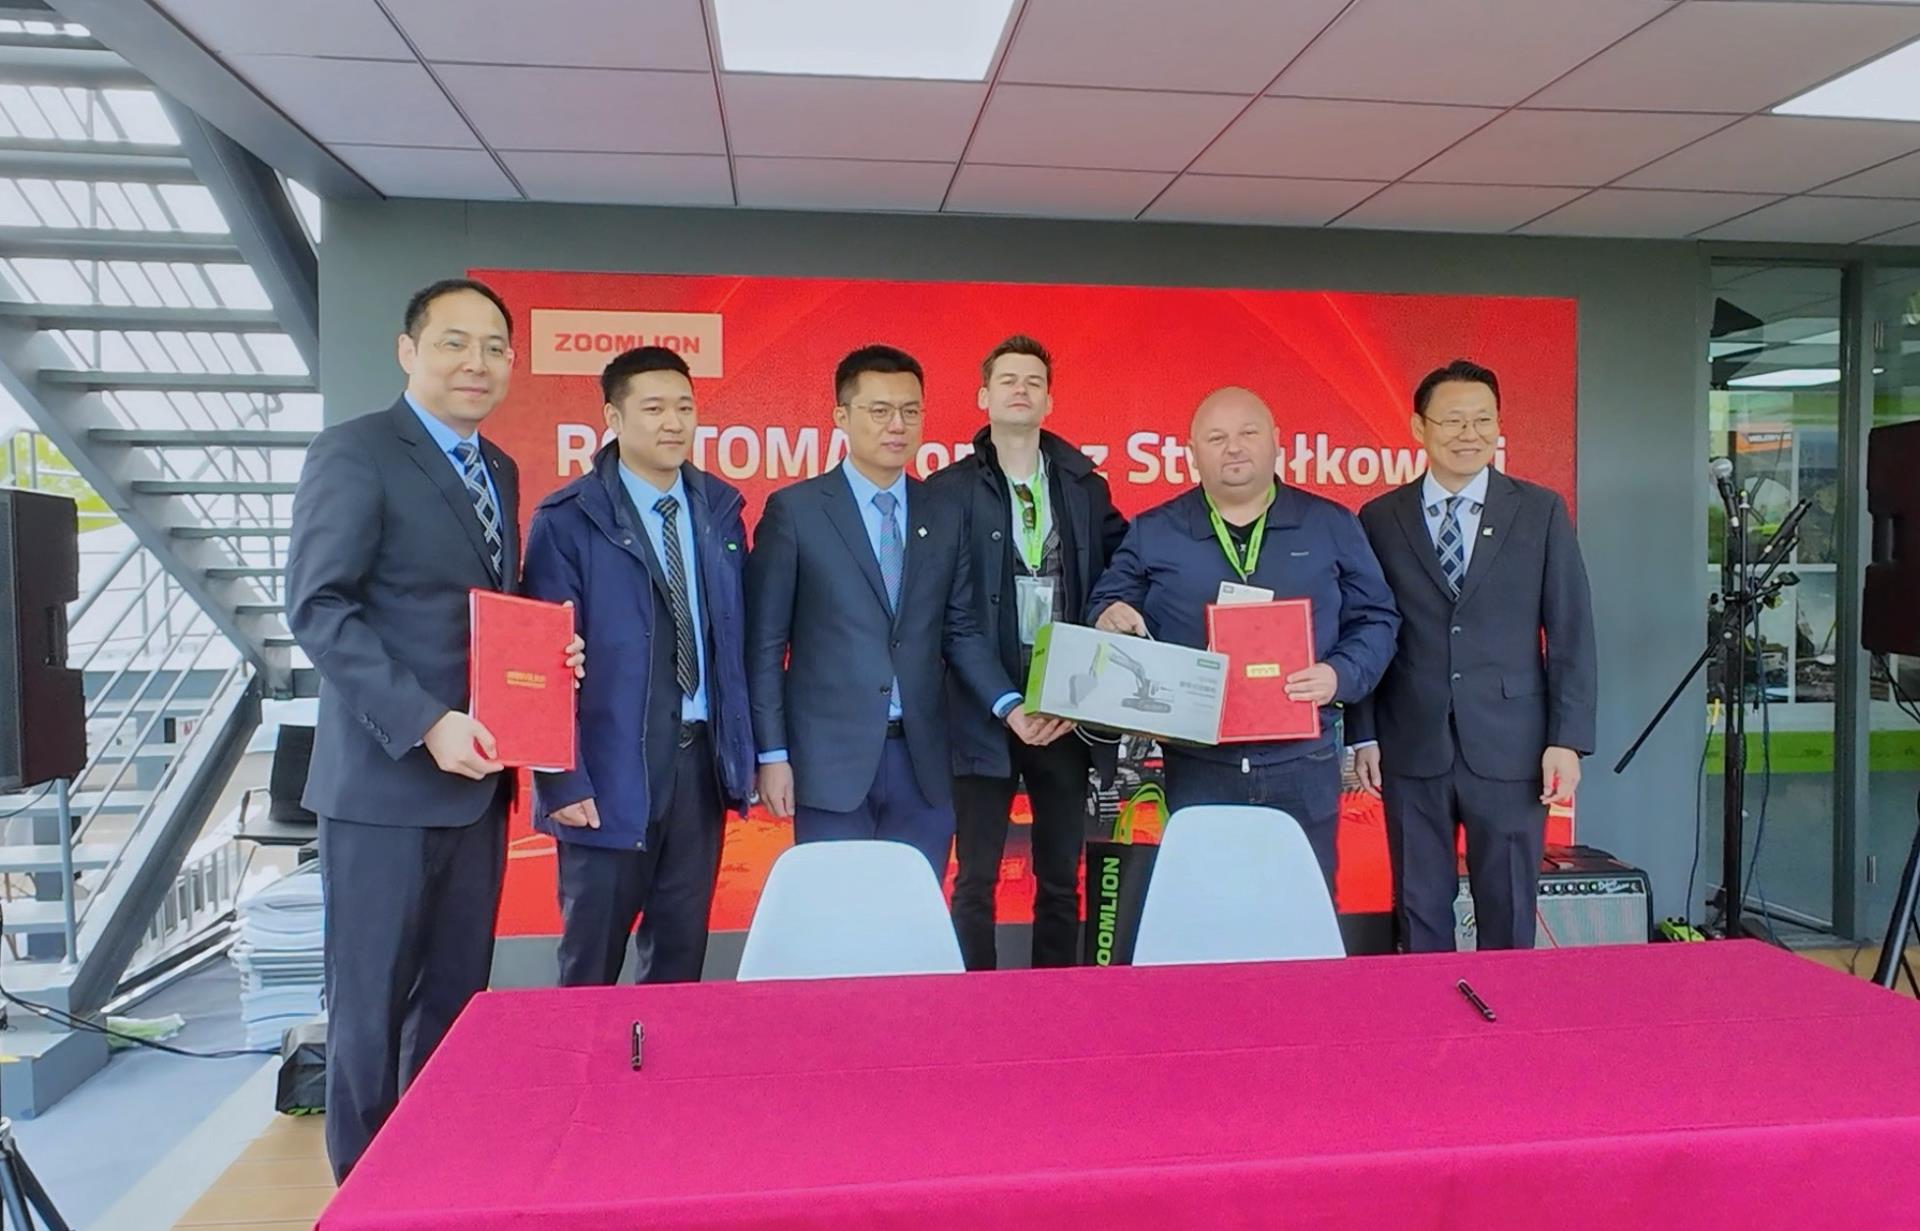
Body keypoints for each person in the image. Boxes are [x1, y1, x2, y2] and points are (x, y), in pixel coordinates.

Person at [286, 278, 583, 1180]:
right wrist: (426, 723)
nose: (476, 363)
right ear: (408, 351)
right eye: (455, 342)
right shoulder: (356, 451)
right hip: (384, 786)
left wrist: (550, 654)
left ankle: (434, 1173)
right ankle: (363, 1189)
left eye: (495, 347)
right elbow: (319, 607)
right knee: (369, 1009)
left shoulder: (499, 468)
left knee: (456, 1000)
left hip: (477, 785)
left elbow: (481, 616)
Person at [745, 344, 1070, 875]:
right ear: (841, 416)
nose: (897, 425)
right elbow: (764, 647)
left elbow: (960, 629)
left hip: (922, 765)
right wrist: (772, 756)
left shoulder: (941, 510)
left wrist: (1011, 705)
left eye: (910, 411)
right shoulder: (796, 512)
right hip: (830, 765)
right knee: (838, 914)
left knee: (914, 914)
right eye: (880, 411)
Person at [1086, 386, 1398, 889]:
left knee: (1302, 910)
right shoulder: (1154, 531)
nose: (1233, 447)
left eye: (1248, 433)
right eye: (1216, 438)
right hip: (1198, 765)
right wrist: (1108, 615)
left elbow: (1377, 618)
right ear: (1192, 452)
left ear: (1276, 440)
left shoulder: (1330, 524)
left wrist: (1339, 674)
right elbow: (1105, 605)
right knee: (1207, 909)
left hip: (1303, 761)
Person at [520, 346, 754, 986]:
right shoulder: (568, 520)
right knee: (590, 964)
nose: (673, 422)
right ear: (613, 418)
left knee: (679, 960)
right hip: (605, 775)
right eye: (653, 408)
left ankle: (663, 1060)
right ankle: (583, 1059)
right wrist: (561, 781)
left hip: (699, 770)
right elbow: (540, 665)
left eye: (684, 407)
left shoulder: (720, 512)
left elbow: (735, 644)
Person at [1349, 359, 1596, 952]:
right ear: (1419, 427)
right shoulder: (1380, 517)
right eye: (1454, 420)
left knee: (1508, 905)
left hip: (1513, 747)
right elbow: (1364, 629)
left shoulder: (1539, 511)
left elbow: (1571, 630)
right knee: (1418, 906)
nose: (1470, 433)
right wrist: (1363, 734)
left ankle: (1505, 1012)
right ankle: (1428, 1009)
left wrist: (1567, 739)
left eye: (1483, 420)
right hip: (1411, 743)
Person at [925, 335, 1127, 970]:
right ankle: (975, 1004)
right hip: (982, 711)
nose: (1021, 389)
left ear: (1049, 401)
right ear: (983, 397)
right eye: (1008, 379)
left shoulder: (1085, 488)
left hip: (1065, 711)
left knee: (1062, 877)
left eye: (1034, 381)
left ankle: (1057, 998)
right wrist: (1008, 704)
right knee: (975, 880)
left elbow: (1121, 572)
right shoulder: (946, 491)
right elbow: (951, 617)